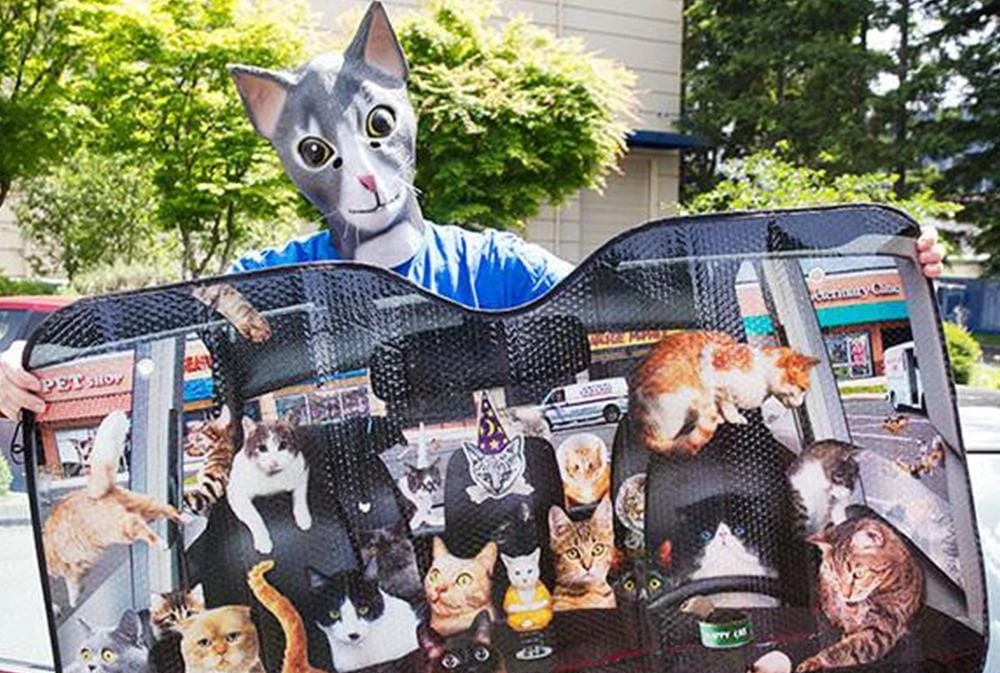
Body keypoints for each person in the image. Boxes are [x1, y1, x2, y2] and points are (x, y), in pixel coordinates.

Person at [0, 0, 946, 421]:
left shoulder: (494, 268)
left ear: (407, 110)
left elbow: (654, 305)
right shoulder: (272, 281)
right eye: (321, 152)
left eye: (376, 129)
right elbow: (155, 332)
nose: (362, 172)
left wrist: (866, 270)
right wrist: (26, 368)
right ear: (287, 156)